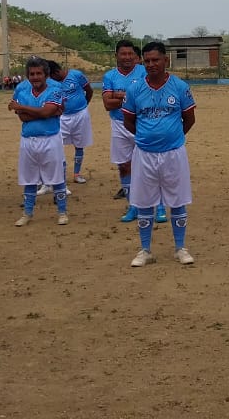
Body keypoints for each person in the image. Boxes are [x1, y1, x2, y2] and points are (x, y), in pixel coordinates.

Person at [122, 42, 197, 267]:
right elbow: (128, 121)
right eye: (147, 61)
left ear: (166, 60)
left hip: (173, 153)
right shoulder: (135, 89)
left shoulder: (180, 86)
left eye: (156, 60)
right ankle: (145, 250)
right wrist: (148, 136)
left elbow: (189, 119)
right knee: (144, 201)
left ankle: (180, 248)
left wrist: (171, 136)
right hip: (144, 153)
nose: (151, 64)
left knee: (178, 199)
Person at [10, 58, 68, 226]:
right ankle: (27, 213)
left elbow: (45, 112)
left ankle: (62, 212)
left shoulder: (55, 91)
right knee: (29, 178)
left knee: (56, 176)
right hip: (28, 140)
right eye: (32, 74)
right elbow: (23, 117)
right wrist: (44, 112)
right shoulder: (23, 92)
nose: (35, 77)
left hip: (50, 139)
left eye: (38, 73)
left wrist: (23, 108)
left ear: (46, 75)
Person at [103, 41, 146, 218]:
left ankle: (158, 205)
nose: (127, 57)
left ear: (135, 56)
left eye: (130, 54)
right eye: (123, 54)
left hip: (141, 123)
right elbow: (107, 104)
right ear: (116, 56)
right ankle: (132, 205)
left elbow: (146, 99)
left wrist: (119, 95)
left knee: (148, 165)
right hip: (118, 124)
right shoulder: (110, 76)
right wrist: (131, 97)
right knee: (123, 165)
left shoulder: (143, 72)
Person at [46, 59, 94, 187]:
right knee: (56, 145)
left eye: (50, 76)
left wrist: (83, 105)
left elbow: (89, 90)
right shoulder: (52, 84)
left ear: (56, 72)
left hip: (81, 115)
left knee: (79, 145)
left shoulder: (76, 75)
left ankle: (76, 174)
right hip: (63, 117)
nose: (50, 79)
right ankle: (59, 175)